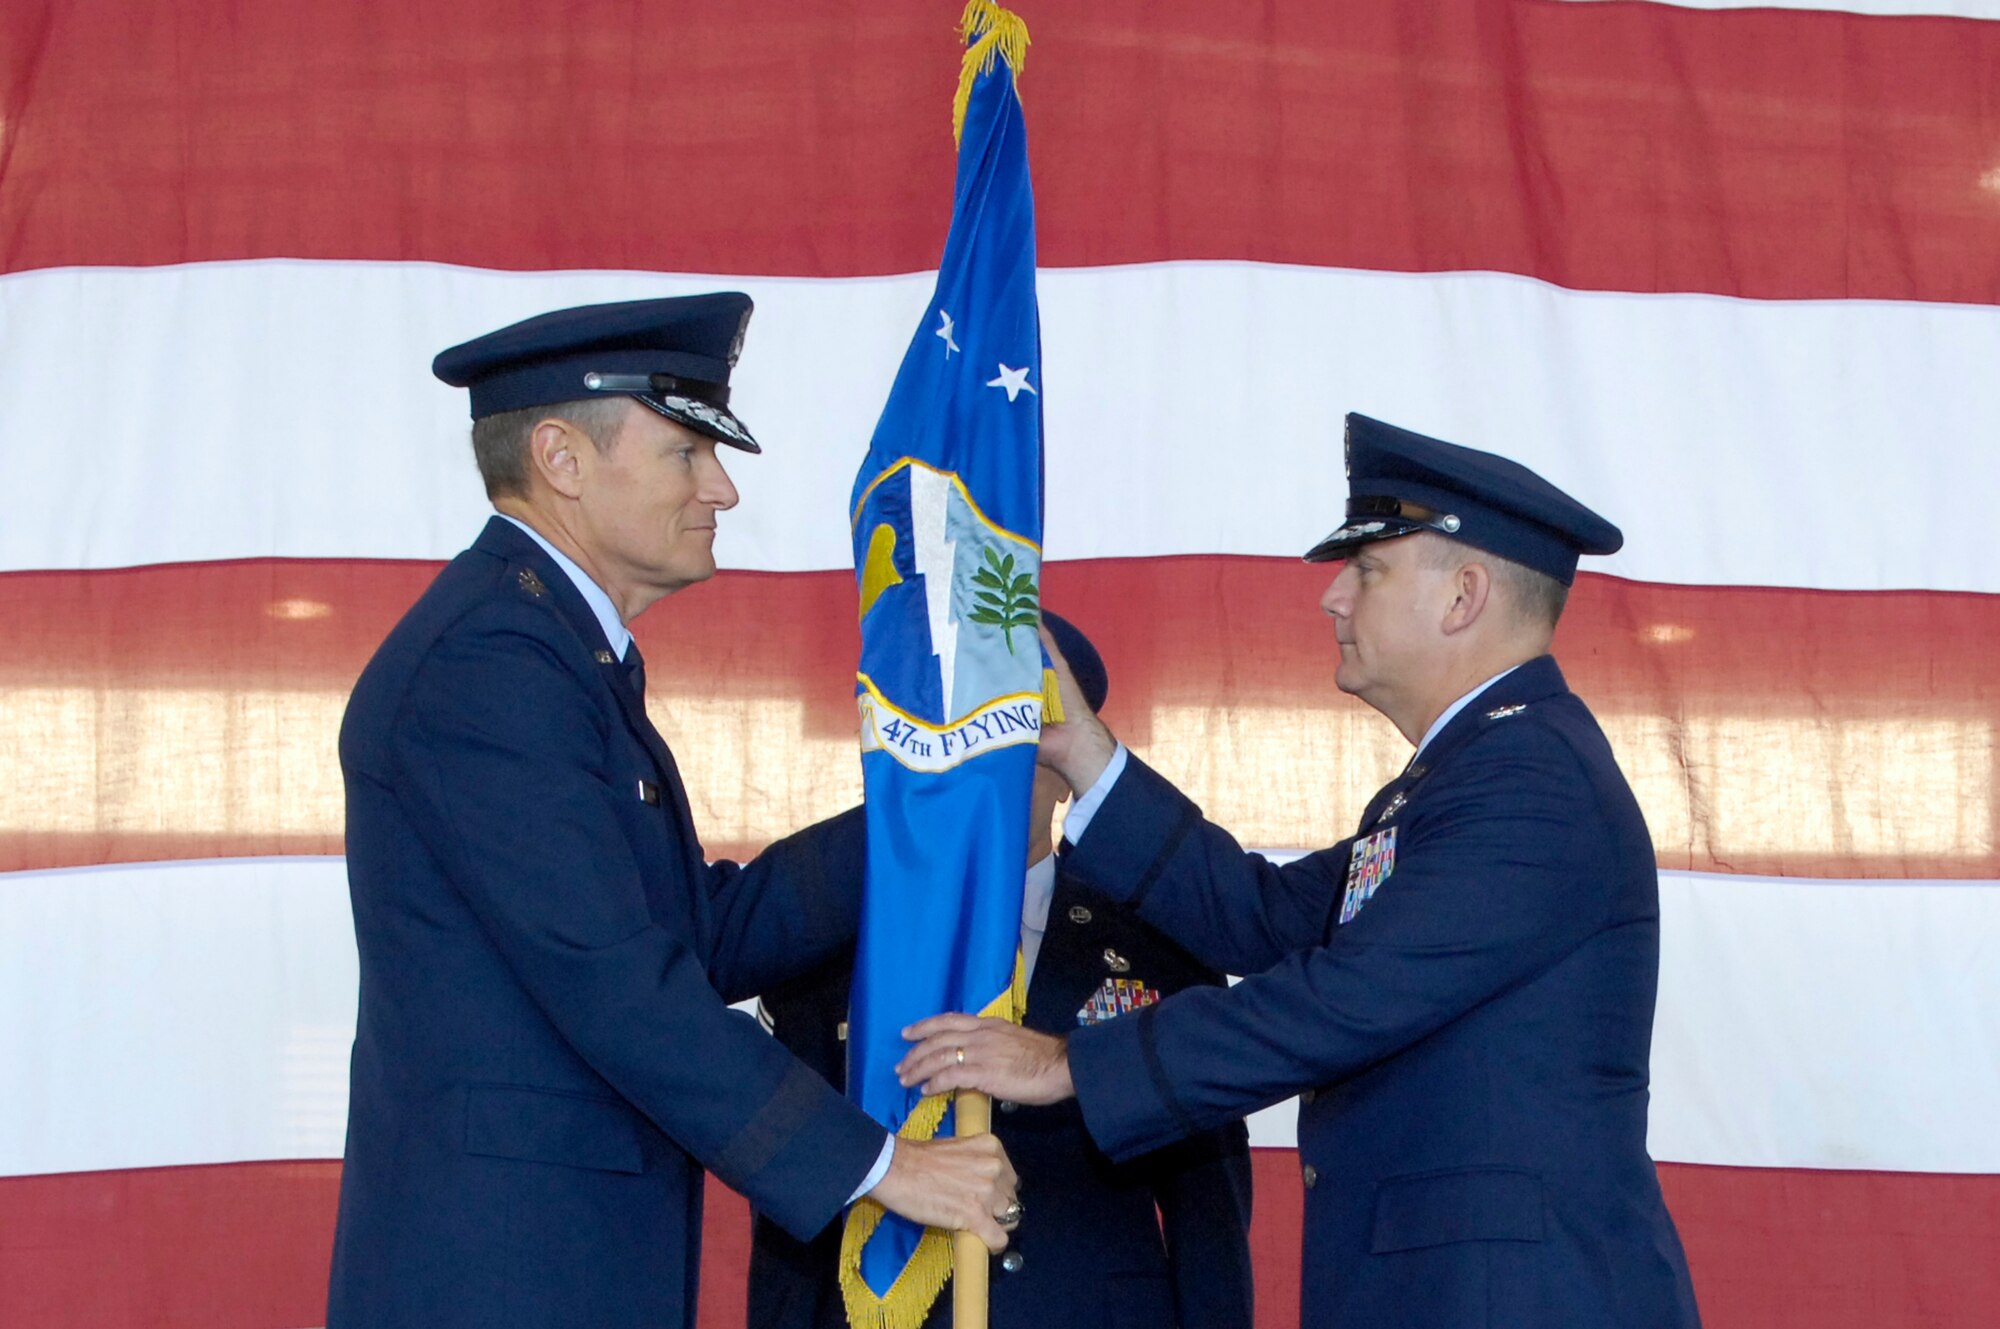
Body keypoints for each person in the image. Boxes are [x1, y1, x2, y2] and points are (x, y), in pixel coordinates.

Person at [900, 414, 1704, 1328]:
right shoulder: (1465, 776)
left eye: (1368, 569)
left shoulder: (1529, 782)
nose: (1333, 598)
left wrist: (1071, 1062)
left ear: (1463, 596)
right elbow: (1264, 915)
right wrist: (1087, 756)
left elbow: (1341, 1000)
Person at [327, 294, 1018, 1329]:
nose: (722, 489)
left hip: (554, 1258)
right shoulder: (492, 663)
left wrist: (935, 803)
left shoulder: (551, 647)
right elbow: (617, 980)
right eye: (686, 454)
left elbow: (694, 935)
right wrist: (882, 1166)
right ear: (562, 459)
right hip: (503, 1274)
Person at [747, 612, 1256, 1329]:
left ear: (1059, 760)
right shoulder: (833, 939)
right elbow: (788, 1198)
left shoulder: (1161, 938)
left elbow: (1208, 1206)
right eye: (947, 747)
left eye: (1001, 744)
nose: (971, 775)